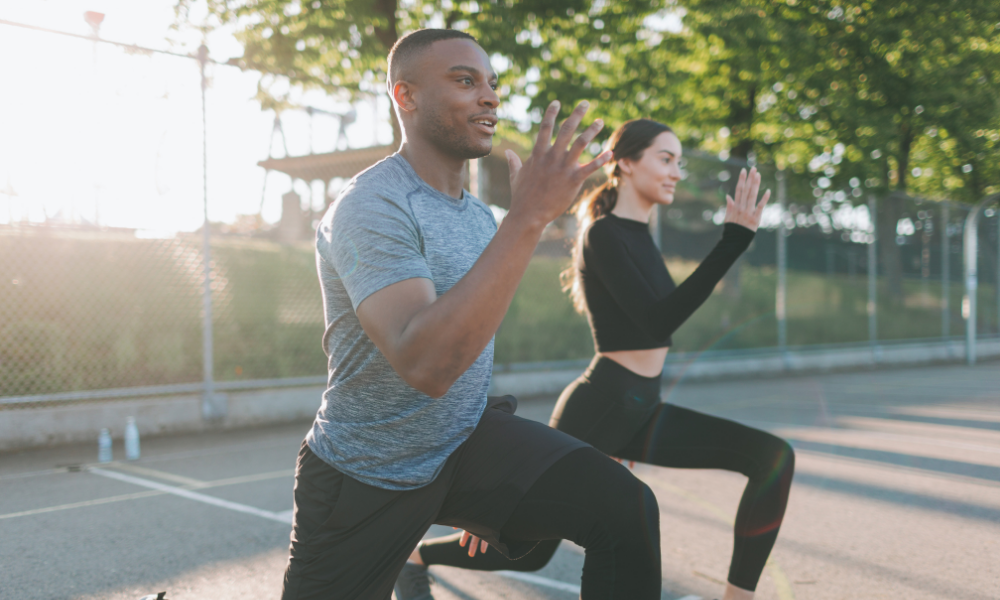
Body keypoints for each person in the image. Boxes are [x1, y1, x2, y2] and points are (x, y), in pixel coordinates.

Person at [281, 29, 666, 600]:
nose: (489, 96)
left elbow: (470, 343)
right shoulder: (370, 206)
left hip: (462, 445)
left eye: (492, 84)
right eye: (465, 81)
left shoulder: (479, 218)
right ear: (405, 96)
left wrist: (487, 487)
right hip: (367, 473)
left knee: (624, 505)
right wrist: (528, 217)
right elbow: (427, 364)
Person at [396, 120, 795, 600]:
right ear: (625, 162)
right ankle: (415, 556)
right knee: (529, 545)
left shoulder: (640, 235)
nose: (675, 172)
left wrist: (734, 240)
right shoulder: (603, 235)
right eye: (665, 159)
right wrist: (732, 241)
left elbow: (659, 321)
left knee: (772, 457)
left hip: (642, 408)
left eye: (679, 162)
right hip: (600, 405)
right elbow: (655, 323)